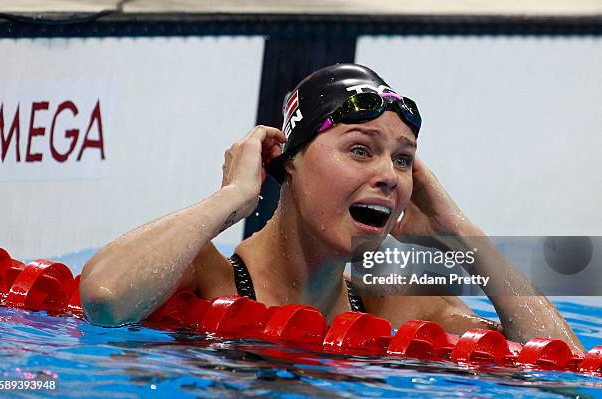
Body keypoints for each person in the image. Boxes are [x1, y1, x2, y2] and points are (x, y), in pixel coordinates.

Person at [80, 64, 582, 351]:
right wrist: (231, 198)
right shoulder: (208, 277)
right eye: (360, 149)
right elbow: (103, 298)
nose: (388, 175)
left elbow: (562, 371)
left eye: (403, 160)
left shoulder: (397, 306)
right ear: (288, 161)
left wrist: (461, 234)